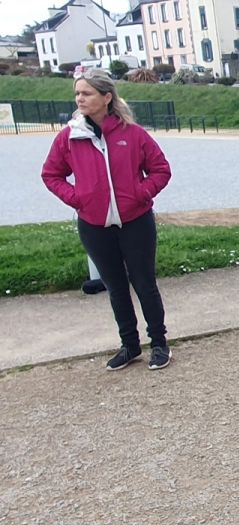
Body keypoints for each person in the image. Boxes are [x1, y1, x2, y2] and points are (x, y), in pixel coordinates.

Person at [42, 69, 174, 371]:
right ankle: (129, 345)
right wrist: (78, 199)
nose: (79, 98)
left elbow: (161, 170)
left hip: (135, 221)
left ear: (106, 97)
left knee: (144, 283)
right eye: (77, 93)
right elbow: (51, 174)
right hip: (94, 224)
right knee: (115, 286)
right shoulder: (70, 137)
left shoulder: (133, 134)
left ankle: (159, 344)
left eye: (86, 93)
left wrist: (141, 193)